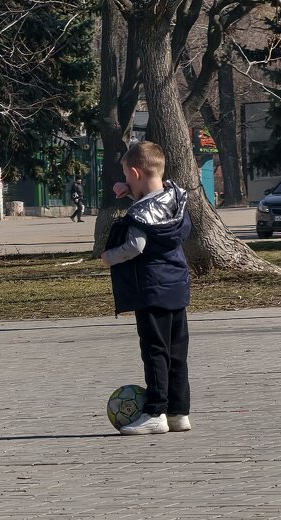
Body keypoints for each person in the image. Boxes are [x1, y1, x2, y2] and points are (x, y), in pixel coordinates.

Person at [101, 140, 192, 435]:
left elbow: (136, 244)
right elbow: (153, 216)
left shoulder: (140, 214)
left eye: (127, 176)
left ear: (137, 173)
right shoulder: (174, 199)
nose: (125, 181)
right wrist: (131, 194)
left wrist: (109, 257)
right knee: (176, 352)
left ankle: (155, 412)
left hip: (151, 289)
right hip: (176, 285)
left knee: (154, 351)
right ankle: (179, 412)